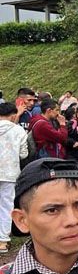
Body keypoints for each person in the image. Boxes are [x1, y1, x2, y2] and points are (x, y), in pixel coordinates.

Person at [0, 103, 28, 253]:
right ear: (13, 115)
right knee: (6, 205)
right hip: (10, 172)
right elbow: (24, 154)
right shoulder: (19, 131)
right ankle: (3, 241)